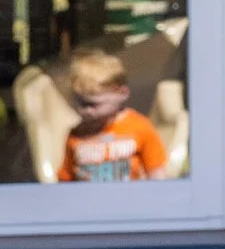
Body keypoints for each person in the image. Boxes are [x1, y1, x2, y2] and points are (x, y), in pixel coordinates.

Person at [56, 49, 168, 182]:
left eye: (93, 104)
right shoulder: (77, 133)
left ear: (122, 93)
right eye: (79, 103)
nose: (85, 110)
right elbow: (65, 181)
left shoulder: (140, 127)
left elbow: (157, 174)